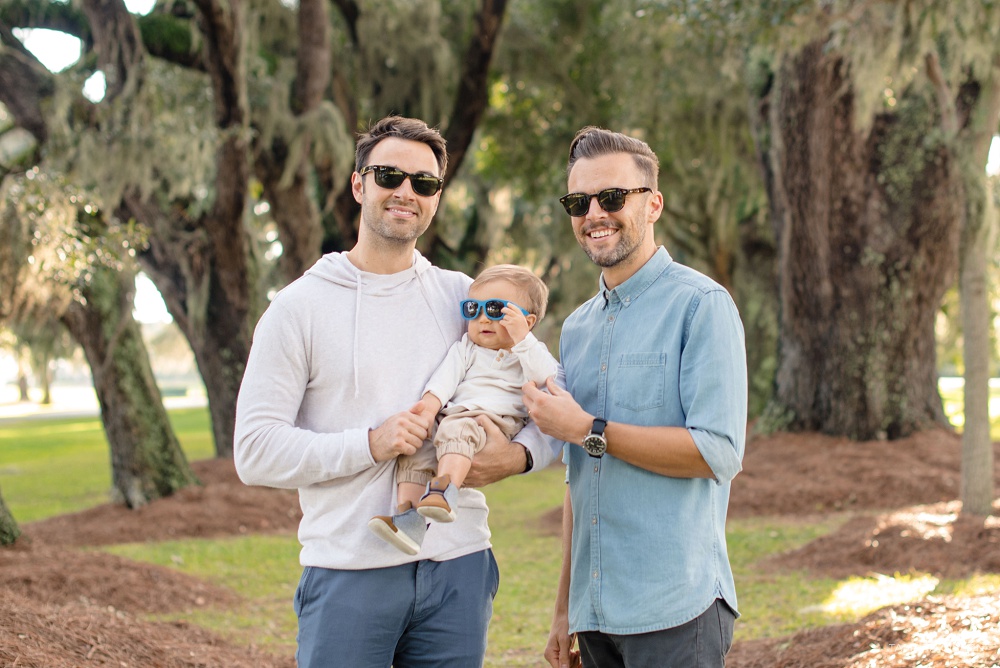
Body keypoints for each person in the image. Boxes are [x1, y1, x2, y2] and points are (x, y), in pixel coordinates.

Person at [233, 115, 561, 668]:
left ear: (435, 199)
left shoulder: (464, 297)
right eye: (389, 175)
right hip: (348, 573)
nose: (405, 192)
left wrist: (518, 457)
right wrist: (370, 443)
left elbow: (546, 400)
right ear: (359, 185)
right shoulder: (297, 308)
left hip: (459, 570)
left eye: (424, 182)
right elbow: (255, 452)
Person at [524, 126, 748, 668]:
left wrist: (587, 429)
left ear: (653, 204)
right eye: (579, 201)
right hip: (595, 615)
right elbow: (580, 480)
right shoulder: (575, 328)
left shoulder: (701, 306)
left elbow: (717, 453)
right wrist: (565, 610)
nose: (594, 212)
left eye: (612, 197)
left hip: (677, 609)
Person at [368, 264, 559, 554]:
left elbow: (547, 377)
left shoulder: (527, 353)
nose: (483, 318)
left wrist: (523, 340)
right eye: (473, 308)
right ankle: (407, 518)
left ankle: (445, 491)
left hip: (494, 422)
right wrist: (428, 411)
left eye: (496, 310)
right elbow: (445, 379)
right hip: (453, 416)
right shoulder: (467, 347)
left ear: (527, 321)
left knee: (459, 428)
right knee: (418, 443)